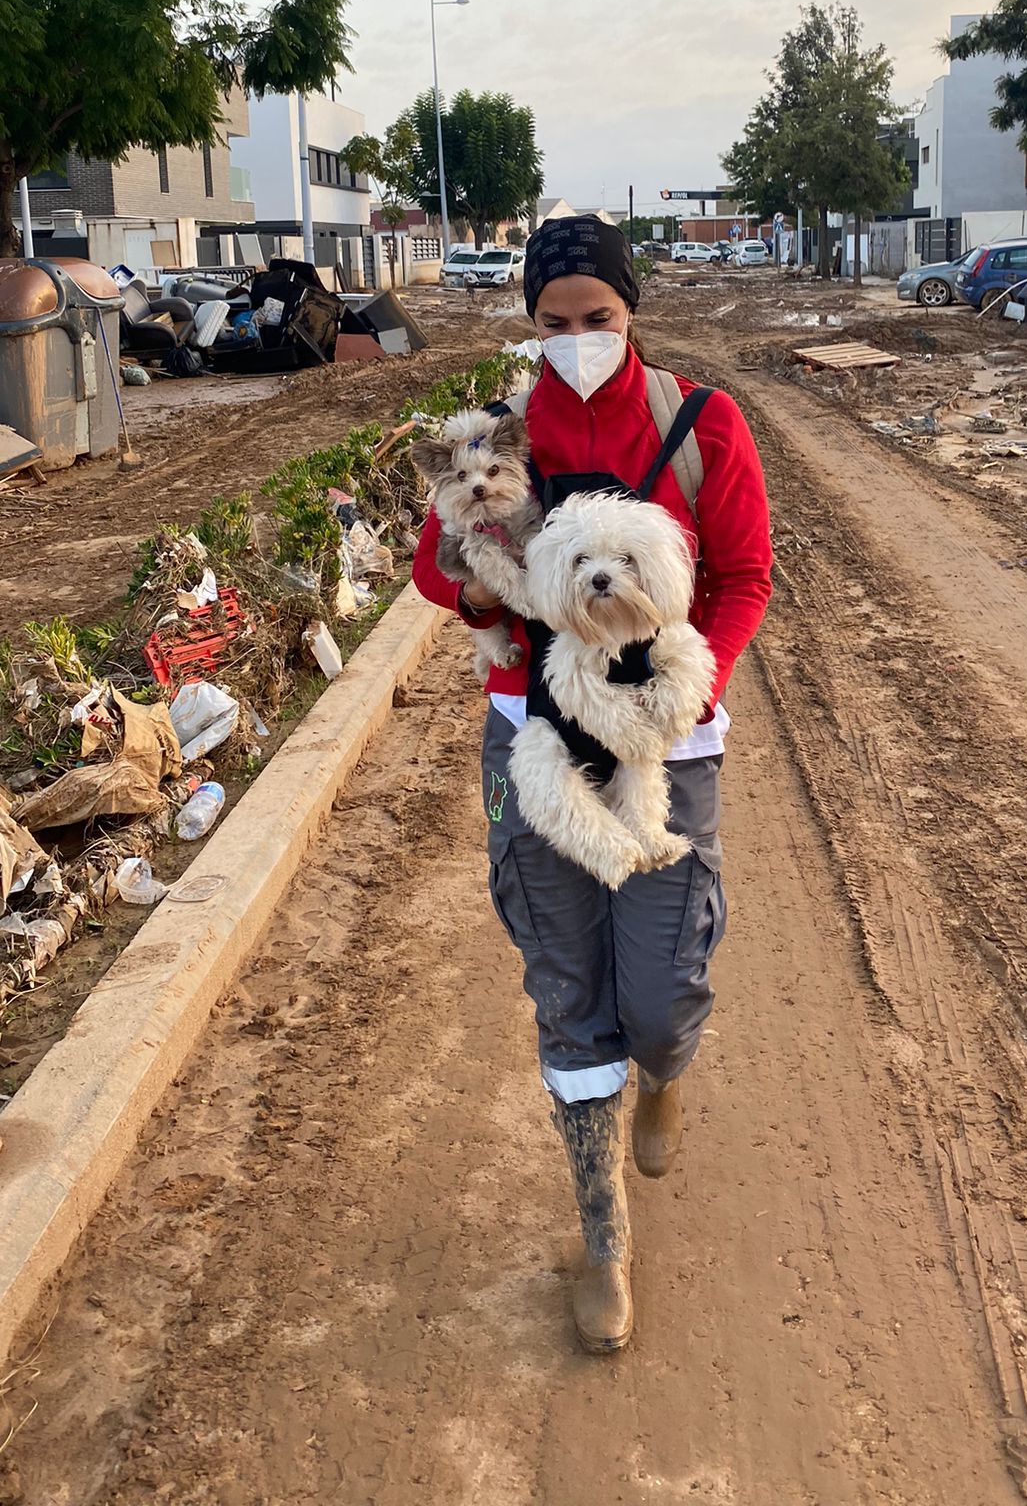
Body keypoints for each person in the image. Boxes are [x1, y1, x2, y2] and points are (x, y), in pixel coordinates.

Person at [412, 214, 772, 1352]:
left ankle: (667, 1069)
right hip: (533, 725)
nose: (577, 339)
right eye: (555, 322)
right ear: (531, 322)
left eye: (598, 319)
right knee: (568, 990)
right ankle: (604, 1242)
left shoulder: (701, 422)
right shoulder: (501, 430)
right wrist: (481, 597)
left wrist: (686, 696)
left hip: (666, 737)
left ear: (632, 312)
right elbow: (437, 561)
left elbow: (746, 570)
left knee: (660, 996)